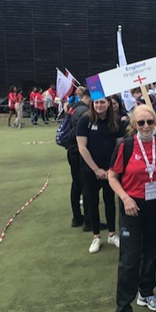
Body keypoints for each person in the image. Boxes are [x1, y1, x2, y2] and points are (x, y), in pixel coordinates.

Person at [108, 105, 156, 312]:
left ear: (155, 123)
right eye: (141, 123)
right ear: (134, 124)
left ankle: (146, 293)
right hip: (131, 206)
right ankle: (123, 305)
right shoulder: (125, 146)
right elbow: (112, 176)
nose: (146, 126)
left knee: (151, 253)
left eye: (150, 122)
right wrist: (126, 198)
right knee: (130, 259)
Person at [76, 96, 124, 253]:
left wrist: (112, 169)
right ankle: (96, 236)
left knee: (110, 200)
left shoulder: (115, 121)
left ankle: (112, 234)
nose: (99, 105)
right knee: (92, 201)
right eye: (96, 102)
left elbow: (119, 147)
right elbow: (82, 147)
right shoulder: (85, 120)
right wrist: (96, 169)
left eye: (102, 102)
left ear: (108, 103)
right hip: (90, 170)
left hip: (110, 170)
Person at [67, 88, 92, 228]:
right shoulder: (84, 112)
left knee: (76, 183)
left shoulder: (75, 108)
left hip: (73, 149)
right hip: (78, 150)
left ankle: (77, 217)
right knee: (84, 184)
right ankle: (87, 219)